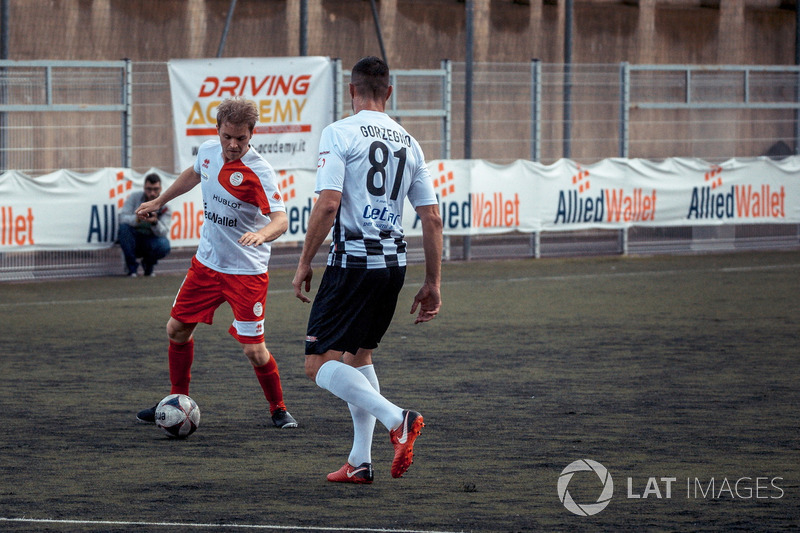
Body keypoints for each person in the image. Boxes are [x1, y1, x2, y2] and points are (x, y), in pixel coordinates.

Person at [292, 56, 443, 483]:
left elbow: (328, 203)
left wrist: (305, 261)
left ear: (351, 91)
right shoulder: (409, 142)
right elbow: (431, 218)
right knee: (359, 357)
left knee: (317, 364)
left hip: (353, 263)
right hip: (393, 264)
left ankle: (398, 418)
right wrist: (432, 282)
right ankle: (360, 461)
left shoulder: (339, 132)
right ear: (389, 93)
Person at [135, 97, 298, 429]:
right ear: (218, 132)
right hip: (207, 264)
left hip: (246, 273)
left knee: (254, 351)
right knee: (176, 330)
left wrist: (263, 234)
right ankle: (175, 402)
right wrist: (161, 199)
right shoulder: (208, 151)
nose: (233, 145)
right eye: (227, 137)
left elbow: (281, 220)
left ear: (252, 135)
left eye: (241, 138)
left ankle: (278, 408)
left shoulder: (259, 171)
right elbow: (194, 175)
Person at [118, 173, 172, 277]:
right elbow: (123, 218)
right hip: (134, 238)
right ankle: (132, 269)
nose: (152, 193)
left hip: (151, 239)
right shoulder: (134, 197)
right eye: (149, 189)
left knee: (164, 245)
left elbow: (164, 231)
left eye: (155, 189)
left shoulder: (165, 206)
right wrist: (138, 218)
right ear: (144, 188)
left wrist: (154, 222)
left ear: (160, 189)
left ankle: (148, 264)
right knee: (124, 229)